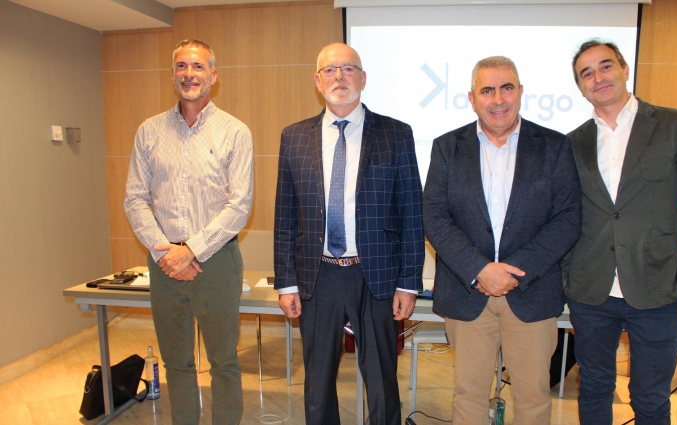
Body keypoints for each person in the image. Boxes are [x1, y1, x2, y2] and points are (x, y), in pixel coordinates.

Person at [563, 39, 677, 425]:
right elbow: (565, 216)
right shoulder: (573, 143)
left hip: (658, 290)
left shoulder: (674, 125)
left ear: (624, 69)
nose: (598, 77)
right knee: (594, 388)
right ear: (580, 87)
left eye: (605, 66)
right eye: (587, 73)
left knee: (650, 399)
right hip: (591, 293)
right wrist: (567, 275)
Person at [423, 56, 581, 425]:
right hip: (468, 293)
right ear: (472, 98)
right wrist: (479, 270)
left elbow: (568, 219)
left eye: (507, 88)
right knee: (468, 396)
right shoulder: (447, 147)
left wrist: (514, 272)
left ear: (521, 92)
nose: (498, 99)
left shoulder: (555, 147)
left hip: (531, 292)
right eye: (487, 90)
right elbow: (435, 217)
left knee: (533, 398)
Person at [274, 43, 424, 425]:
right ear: (317, 80)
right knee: (317, 385)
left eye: (348, 68)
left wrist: (409, 282)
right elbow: (285, 215)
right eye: (329, 70)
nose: (339, 77)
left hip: (376, 278)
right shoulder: (294, 137)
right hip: (317, 276)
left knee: (382, 383)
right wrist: (286, 284)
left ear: (363, 78)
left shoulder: (396, 134)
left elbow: (412, 213)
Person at [124, 39, 254, 425]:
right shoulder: (149, 132)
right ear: (172, 75)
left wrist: (192, 250)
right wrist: (165, 251)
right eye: (181, 66)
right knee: (176, 361)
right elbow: (134, 199)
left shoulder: (234, 132)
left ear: (214, 75)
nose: (189, 74)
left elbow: (240, 205)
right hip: (164, 264)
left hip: (215, 262)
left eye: (198, 67)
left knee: (223, 361)